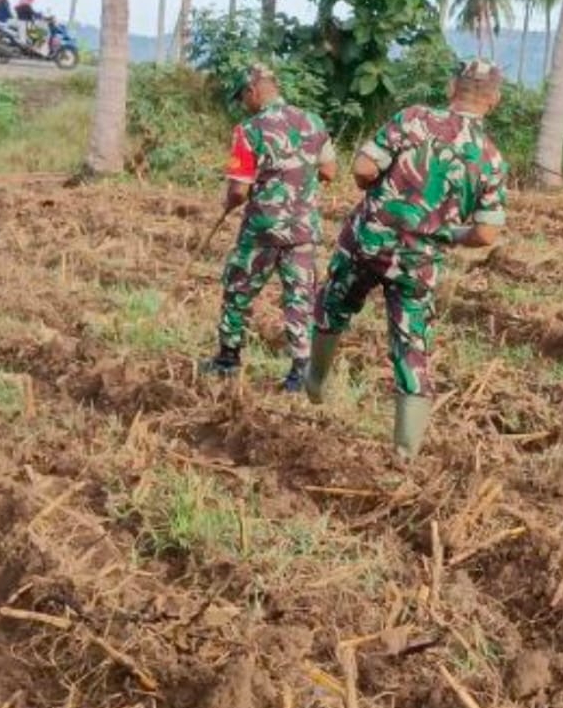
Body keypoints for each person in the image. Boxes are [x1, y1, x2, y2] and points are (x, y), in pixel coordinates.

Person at [305, 59, 508, 462]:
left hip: (368, 240)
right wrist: (446, 232)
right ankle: (404, 454)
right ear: (495, 99)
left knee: (333, 305)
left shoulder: (412, 118)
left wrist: (378, 191)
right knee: (412, 345)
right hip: (420, 259)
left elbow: (362, 169)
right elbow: (487, 234)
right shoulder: (490, 158)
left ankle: (315, 379)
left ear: (453, 86)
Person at [203, 63, 338, 391]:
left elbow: (238, 190)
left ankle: (228, 359)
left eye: (242, 97)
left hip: (263, 228)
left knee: (238, 288)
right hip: (303, 229)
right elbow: (330, 171)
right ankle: (301, 371)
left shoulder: (249, 130)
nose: (243, 104)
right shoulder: (313, 122)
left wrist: (229, 204)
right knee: (300, 298)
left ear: (253, 91)